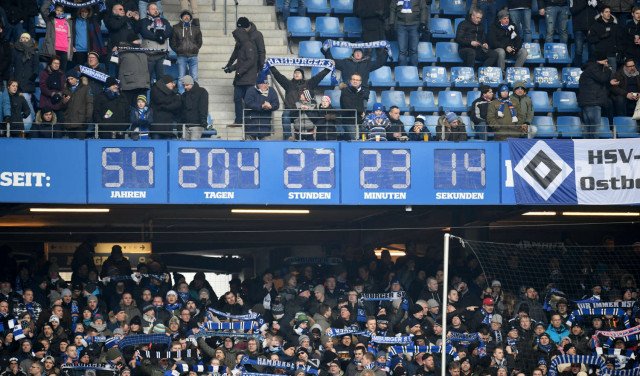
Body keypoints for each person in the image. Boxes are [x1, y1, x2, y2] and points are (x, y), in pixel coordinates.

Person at [269, 66, 330, 140]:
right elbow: (279, 76)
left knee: (319, 115)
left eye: (298, 73)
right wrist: (271, 67)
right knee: (285, 115)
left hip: (307, 110)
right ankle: (288, 138)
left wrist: (328, 68)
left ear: (302, 75)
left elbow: (319, 76)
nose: (296, 74)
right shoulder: (288, 84)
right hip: (293, 110)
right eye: (295, 73)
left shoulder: (309, 84)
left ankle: (320, 137)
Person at [225, 23, 259, 127]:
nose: (235, 39)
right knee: (237, 99)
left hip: (248, 79)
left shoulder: (248, 45)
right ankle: (239, 121)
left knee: (248, 101)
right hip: (240, 79)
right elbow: (241, 62)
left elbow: (250, 61)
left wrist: (240, 71)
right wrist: (230, 68)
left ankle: (249, 122)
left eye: (235, 37)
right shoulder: (241, 45)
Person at [579, 51, 616, 138]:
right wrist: (608, 69)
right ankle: (592, 149)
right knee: (594, 129)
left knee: (588, 129)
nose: (606, 63)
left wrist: (609, 82)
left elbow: (596, 83)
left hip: (588, 102)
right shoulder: (594, 68)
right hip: (592, 102)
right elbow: (602, 78)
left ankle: (587, 149)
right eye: (605, 61)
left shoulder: (590, 69)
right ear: (600, 61)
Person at [323, 47, 387, 90]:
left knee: (361, 110)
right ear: (353, 54)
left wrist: (384, 51)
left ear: (362, 54)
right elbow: (331, 61)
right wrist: (327, 50)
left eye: (360, 52)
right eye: (356, 52)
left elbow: (380, 62)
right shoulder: (345, 62)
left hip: (362, 91)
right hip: (347, 90)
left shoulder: (367, 64)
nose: (358, 54)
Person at [10, 33, 39, 130]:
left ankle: (29, 127)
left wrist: (30, 79)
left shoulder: (34, 51)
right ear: (19, 39)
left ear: (30, 40)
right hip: (16, 83)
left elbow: (36, 69)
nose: (25, 39)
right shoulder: (15, 50)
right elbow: (11, 65)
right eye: (23, 37)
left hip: (27, 84)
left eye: (27, 38)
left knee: (27, 103)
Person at [388, 0, 429, 67]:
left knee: (413, 50)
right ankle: (402, 73)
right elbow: (392, 8)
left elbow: (423, 8)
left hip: (415, 25)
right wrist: (391, 23)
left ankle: (414, 73)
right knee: (402, 51)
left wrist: (423, 23)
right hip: (401, 25)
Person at [170, 10, 202, 93]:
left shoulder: (196, 28)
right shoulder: (176, 28)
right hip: (181, 56)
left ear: (190, 18)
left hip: (193, 56)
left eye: (188, 16)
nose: (186, 17)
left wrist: (195, 48)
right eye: (184, 15)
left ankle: (195, 94)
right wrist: (178, 50)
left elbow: (200, 41)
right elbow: (172, 42)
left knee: (194, 77)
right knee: (181, 77)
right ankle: (182, 95)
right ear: (181, 17)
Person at [139, 2, 172, 82]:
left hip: (161, 55)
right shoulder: (144, 21)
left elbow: (169, 32)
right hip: (148, 55)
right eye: (153, 9)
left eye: (156, 9)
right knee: (147, 79)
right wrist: (158, 37)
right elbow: (145, 33)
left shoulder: (164, 21)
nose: (155, 10)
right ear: (147, 11)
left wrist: (162, 36)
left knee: (161, 79)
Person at [117, 36, 150, 106]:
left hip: (142, 84)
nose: (139, 41)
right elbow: (115, 63)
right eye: (137, 39)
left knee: (140, 109)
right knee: (127, 107)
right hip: (128, 84)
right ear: (131, 41)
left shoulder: (144, 51)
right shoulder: (122, 51)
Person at [40, 1, 73, 71]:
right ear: (54, 10)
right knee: (51, 72)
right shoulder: (50, 20)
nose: (59, 12)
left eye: (61, 11)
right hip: (53, 50)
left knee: (62, 73)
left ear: (63, 12)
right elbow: (43, 10)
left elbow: (70, 37)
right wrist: (50, 1)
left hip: (64, 50)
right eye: (57, 10)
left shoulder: (68, 22)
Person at [587, 5, 622, 69]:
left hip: (612, 54)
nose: (608, 13)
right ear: (601, 13)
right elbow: (590, 39)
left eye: (609, 12)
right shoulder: (595, 25)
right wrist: (600, 37)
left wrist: (618, 51)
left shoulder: (615, 26)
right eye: (606, 12)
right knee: (600, 76)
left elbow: (619, 40)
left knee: (612, 76)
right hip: (600, 56)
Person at [62, 68, 93, 139]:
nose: (70, 81)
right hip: (69, 122)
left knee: (81, 145)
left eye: (71, 78)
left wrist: (88, 117)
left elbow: (89, 103)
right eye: (68, 79)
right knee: (71, 147)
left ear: (76, 78)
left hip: (81, 122)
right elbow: (63, 107)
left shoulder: (86, 88)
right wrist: (64, 102)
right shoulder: (66, 90)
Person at [339, 73, 369, 140]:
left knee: (363, 140)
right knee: (354, 140)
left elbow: (361, 106)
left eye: (357, 80)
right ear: (350, 81)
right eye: (353, 79)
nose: (355, 81)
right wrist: (361, 111)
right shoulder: (345, 91)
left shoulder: (362, 92)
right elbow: (348, 106)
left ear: (360, 82)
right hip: (349, 121)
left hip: (359, 121)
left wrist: (362, 112)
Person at [150, 75, 181, 139]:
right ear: (166, 83)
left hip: (168, 128)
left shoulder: (175, 93)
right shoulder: (155, 90)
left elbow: (177, 105)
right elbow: (159, 100)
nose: (173, 84)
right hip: (156, 128)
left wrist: (165, 107)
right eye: (171, 83)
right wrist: (173, 97)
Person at [180, 75, 209, 140]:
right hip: (186, 125)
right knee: (184, 147)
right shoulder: (184, 95)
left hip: (197, 125)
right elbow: (182, 110)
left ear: (191, 83)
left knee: (194, 146)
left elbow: (203, 107)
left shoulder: (202, 92)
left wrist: (203, 121)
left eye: (187, 85)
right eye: (184, 85)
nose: (185, 87)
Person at [38, 56, 67, 121]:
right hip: (46, 102)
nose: (56, 65)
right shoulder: (44, 73)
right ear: (50, 63)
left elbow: (63, 87)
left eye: (58, 63)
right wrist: (52, 94)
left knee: (60, 122)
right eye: (54, 63)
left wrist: (59, 94)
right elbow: (43, 87)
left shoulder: (62, 74)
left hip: (58, 102)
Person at [571, 0, 598, 66]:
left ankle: (590, 69)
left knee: (593, 50)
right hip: (579, 27)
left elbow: (601, 9)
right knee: (579, 50)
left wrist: (597, 4)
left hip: (592, 27)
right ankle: (577, 68)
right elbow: (573, 10)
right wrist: (585, 2)